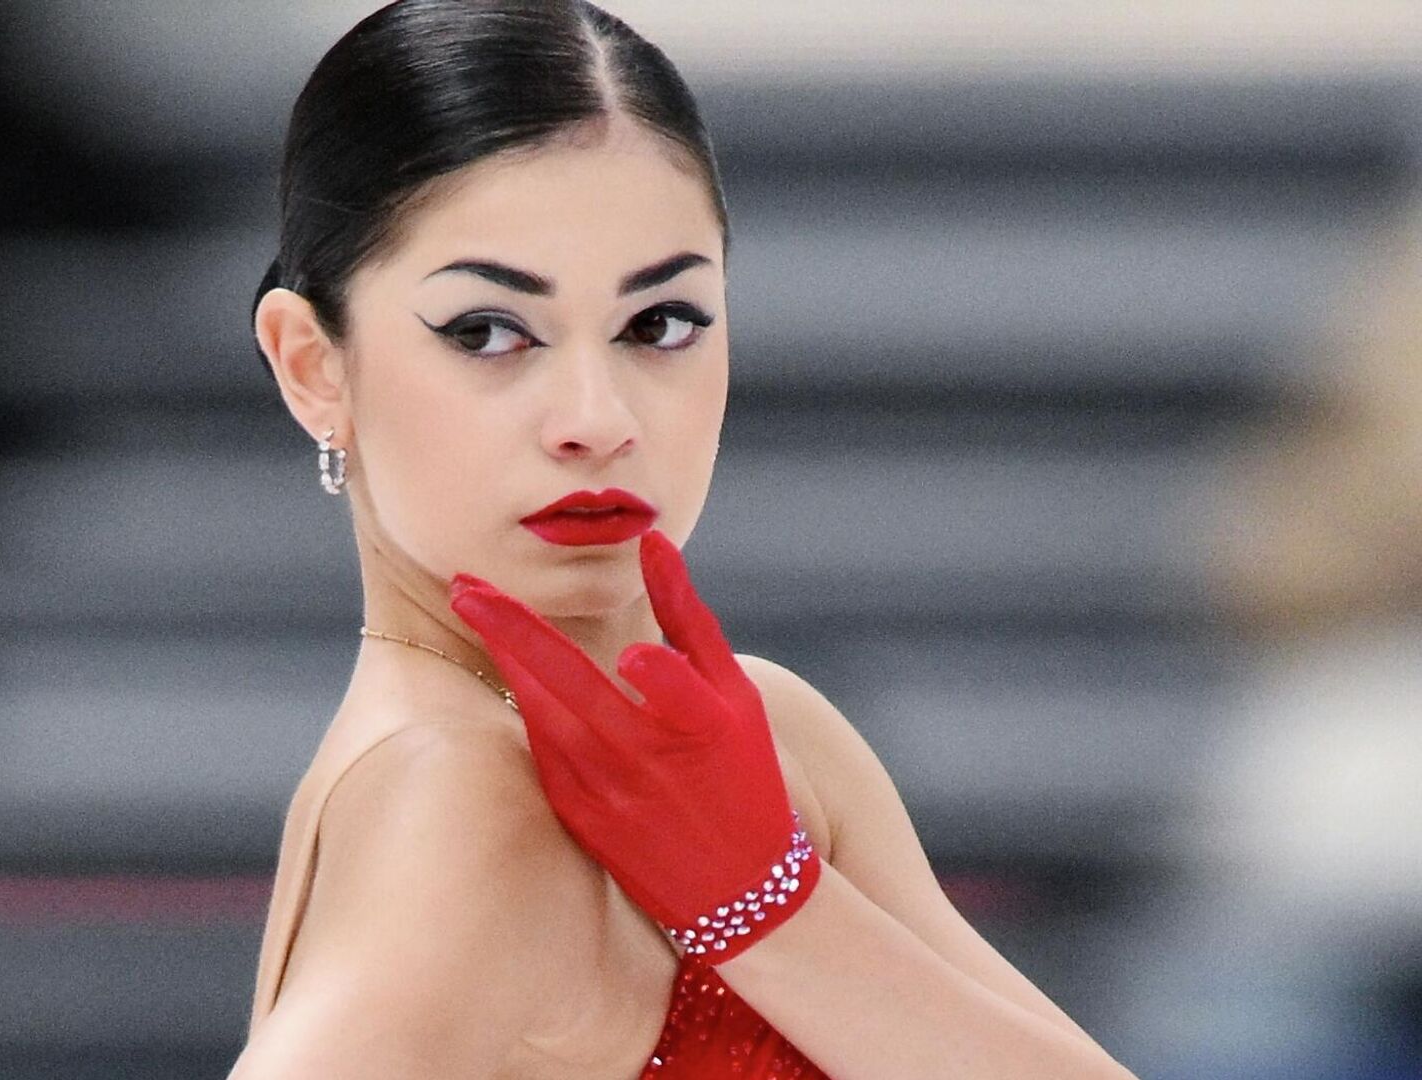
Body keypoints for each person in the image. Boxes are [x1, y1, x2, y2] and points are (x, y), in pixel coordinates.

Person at [232, 3, 1139, 1077]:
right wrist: (759, 913)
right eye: (488, 331)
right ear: (313, 367)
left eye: (658, 324)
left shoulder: (780, 739)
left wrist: (767, 907)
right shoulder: (461, 797)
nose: (596, 418)